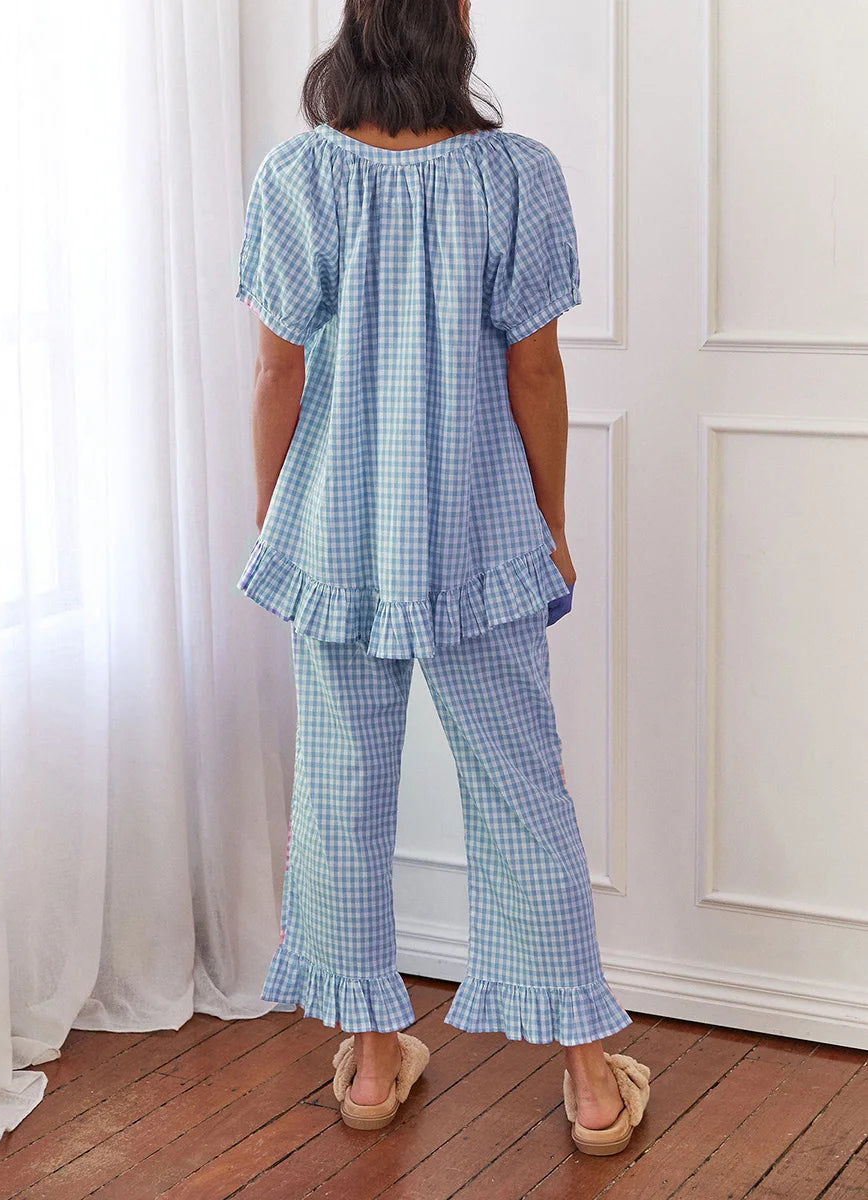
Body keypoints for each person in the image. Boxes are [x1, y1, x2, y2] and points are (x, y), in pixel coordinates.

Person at [235, 0, 651, 1155]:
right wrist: (549, 523)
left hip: (337, 535)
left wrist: (279, 520)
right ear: (456, 22)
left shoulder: (296, 175)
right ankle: (594, 1085)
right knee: (527, 796)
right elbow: (536, 374)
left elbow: (278, 373)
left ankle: (372, 1069)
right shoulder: (520, 174)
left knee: (343, 792)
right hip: (478, 534)